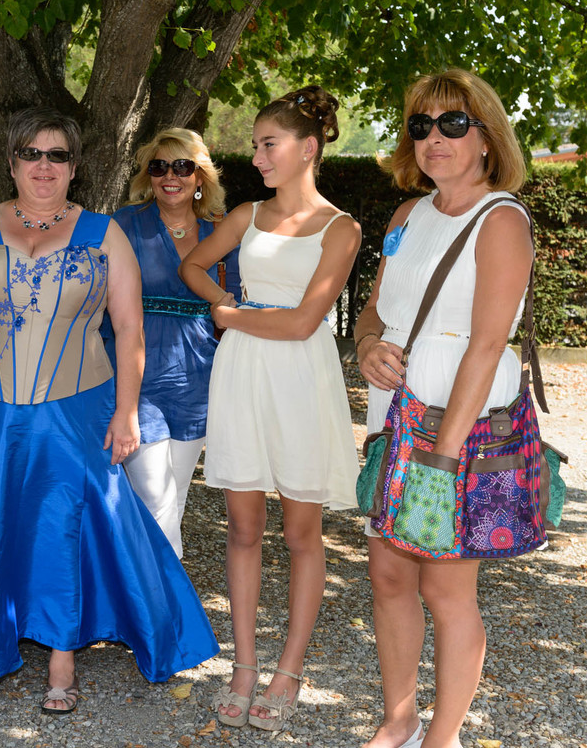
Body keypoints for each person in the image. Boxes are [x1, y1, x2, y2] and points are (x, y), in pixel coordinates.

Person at [0, 107, 218, 716]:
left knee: (62, 525)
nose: (43, 166)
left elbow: (129, 329)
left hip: (76, 407)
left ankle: (62, 658)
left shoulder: (103, 233)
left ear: (74, 167)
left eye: (57, 155)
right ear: (11, 162)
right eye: (31, 154)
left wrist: (127, 413)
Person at [352, 69, 532, 748]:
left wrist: (443, 460)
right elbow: (375, 309)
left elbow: (485, 346)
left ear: (486, 138)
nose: (434, 137)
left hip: (458, 428)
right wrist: (366, 345)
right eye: (421, 124)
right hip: (393, 411)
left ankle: (442, 738)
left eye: (453, 123)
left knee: (447, 591)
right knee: (388, 575)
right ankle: (398, 720)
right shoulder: (407, 216)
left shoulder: (501, 219)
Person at [179, 86, 362, 732]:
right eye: (256, 146)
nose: (256, 157)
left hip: (301, 377)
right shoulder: (247, 215)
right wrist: (221, 301)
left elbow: (304, 322)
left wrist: (230, 316)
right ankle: (245, 667)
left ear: (307, 148)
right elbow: (194, 266)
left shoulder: (341, 228)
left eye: (268, 144)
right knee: (242, 528)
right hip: (244, 375)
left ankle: (289, 670)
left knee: (301, 533)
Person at [108, 127, 239, 558]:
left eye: (182, 166)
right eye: (159, 166)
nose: (170, 176)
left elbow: (237, 300)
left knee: (174, 496)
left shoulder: (221, 231)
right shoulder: (125, 224)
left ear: (200, 176)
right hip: (137, 372)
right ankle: (166, 597)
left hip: (199, 375)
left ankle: (144, 589)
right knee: (155, 495)